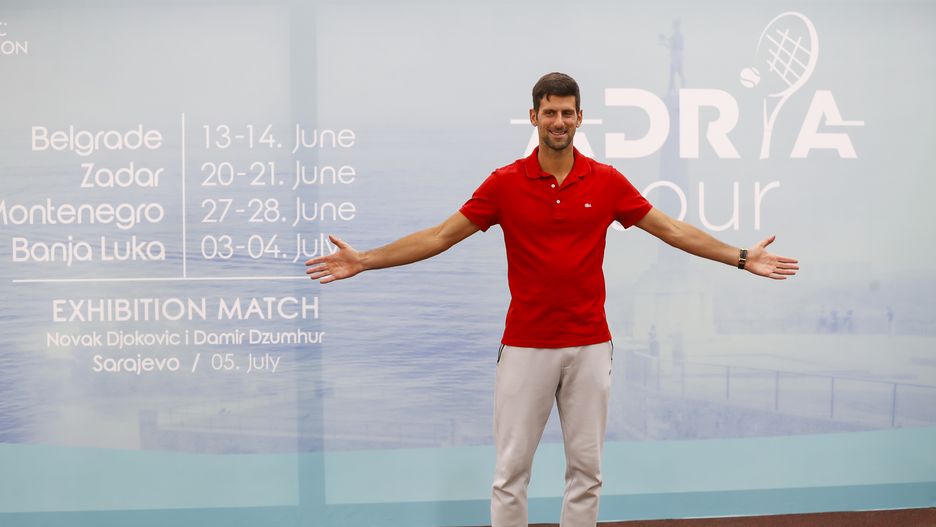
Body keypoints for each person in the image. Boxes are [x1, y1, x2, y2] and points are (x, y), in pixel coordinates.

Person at [305, 72, 799, 527]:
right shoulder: (504, 183)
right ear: (534, 117)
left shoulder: (606, 181)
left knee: (586, 473)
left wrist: (741, 257)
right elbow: (439, 236)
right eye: (549, 112)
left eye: (567, 112)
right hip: (525, 347)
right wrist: (365, 259)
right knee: (510, 473)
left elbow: (671, 230)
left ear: (580, 118)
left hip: (590, 346)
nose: (558, 121)